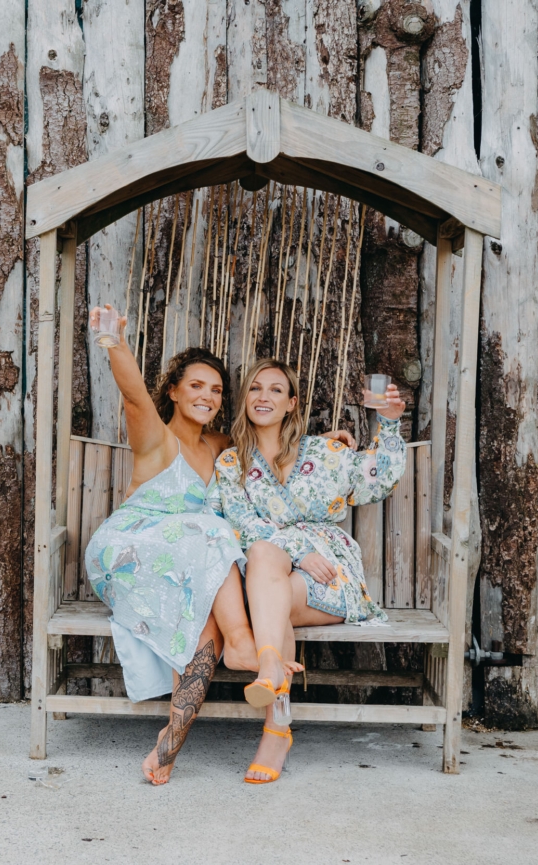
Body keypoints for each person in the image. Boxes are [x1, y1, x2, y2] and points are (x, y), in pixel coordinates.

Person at [81, 307, 353, 786]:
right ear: (173, 390)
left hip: (188, 561)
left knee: (203, 617)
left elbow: (268, 444)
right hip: (129, 552)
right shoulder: (156, 439)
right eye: (196, 386)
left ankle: (170, 742)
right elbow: (132, 396)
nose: (207, 396)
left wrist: (319, 443)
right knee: (211, 529)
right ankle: (246, 645)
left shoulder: (225, 447)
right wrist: (114, 344)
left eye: (216, 390)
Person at [215, 358, 407, 784]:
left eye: (276, 390)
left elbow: (376, 482)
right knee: (265, 556)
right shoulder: (231, 465)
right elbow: (239, 525)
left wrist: (389, 425)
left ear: (291, 404)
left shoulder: (325, 452)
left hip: (329, 573)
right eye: (255, 389)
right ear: (245, 399)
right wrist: (298, 550)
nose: (263, 396)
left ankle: (273, 707)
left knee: (269, 571)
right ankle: (274, 701)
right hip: (275, 575)